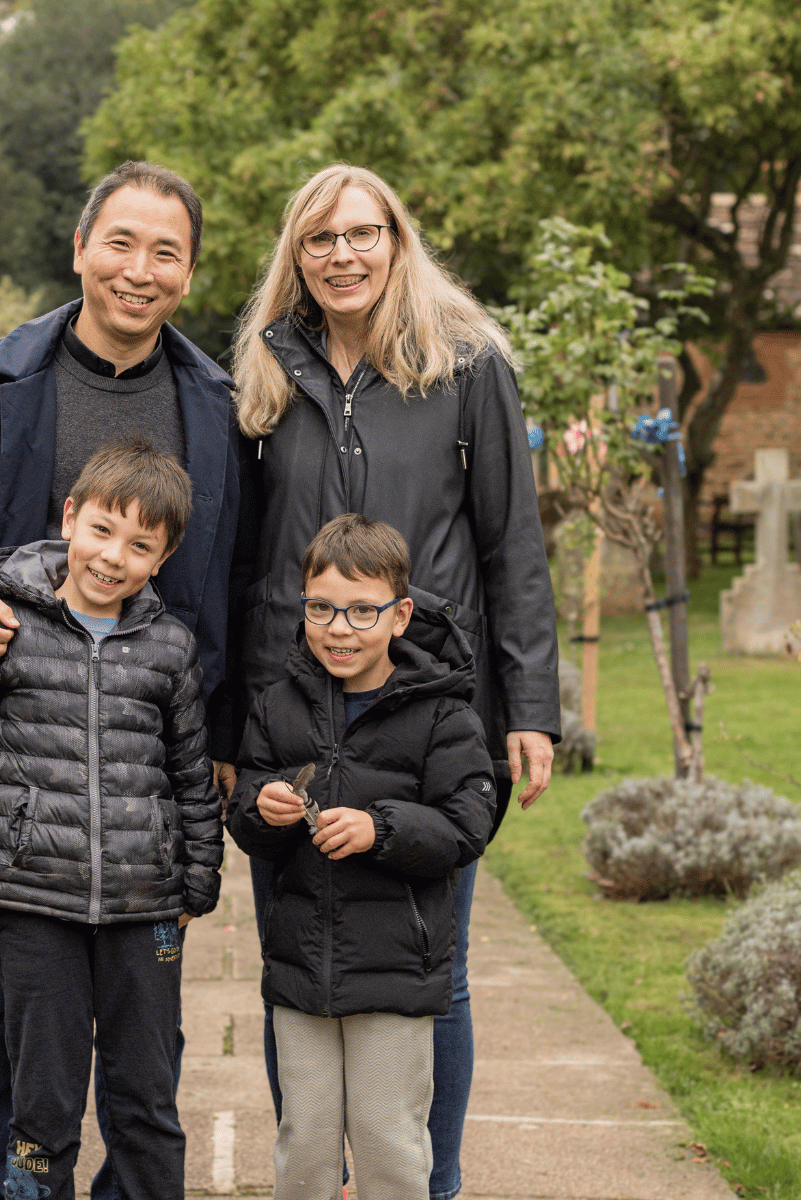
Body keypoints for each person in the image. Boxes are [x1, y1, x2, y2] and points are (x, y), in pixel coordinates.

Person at [0, 161, 243, 1200]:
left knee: (140, 1036)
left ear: (190, 274)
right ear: (80, 249)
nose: (139, 270)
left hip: (135, 765)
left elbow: (234, 581)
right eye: (121, 243)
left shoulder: (215, 404)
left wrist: (218, 736)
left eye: (166, 253)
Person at [229, 164, 560, 1200]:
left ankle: (431, 1182)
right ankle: (313, 1178)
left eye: (362, 234)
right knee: (301, 963)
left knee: (433, 975)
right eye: (320, 239)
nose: (343, 256)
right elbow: (240, 562)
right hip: (292, 708)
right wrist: (226, 731)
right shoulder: (262, 372)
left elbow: (512, 545)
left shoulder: (468, 368)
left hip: (432, 714)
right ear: (298, 252)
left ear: (397, 240)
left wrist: (533, 708)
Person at [0, 439, 224, 1200]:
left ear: (163, 555)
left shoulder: (170, 649)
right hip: (34, 907)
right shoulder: (4, 627)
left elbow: (190, 774)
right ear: (70, 518)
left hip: (147, 911)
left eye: (140, 545)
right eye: (103, 530)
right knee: (42, 1106)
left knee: (147, 1101)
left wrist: (196, 880)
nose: (113, 557)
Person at [226, 513, 495, 1200]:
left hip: (396, 974)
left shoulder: (443, 713)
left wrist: (382, 829)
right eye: (321, 609)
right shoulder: (277, 704)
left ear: (400, 615)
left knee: (390, 1144)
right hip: (300, 970)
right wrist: (264, 808)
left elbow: (467, 826)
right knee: (305, 1145)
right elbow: (246, 814)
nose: (338, 628)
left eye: (361, 611)